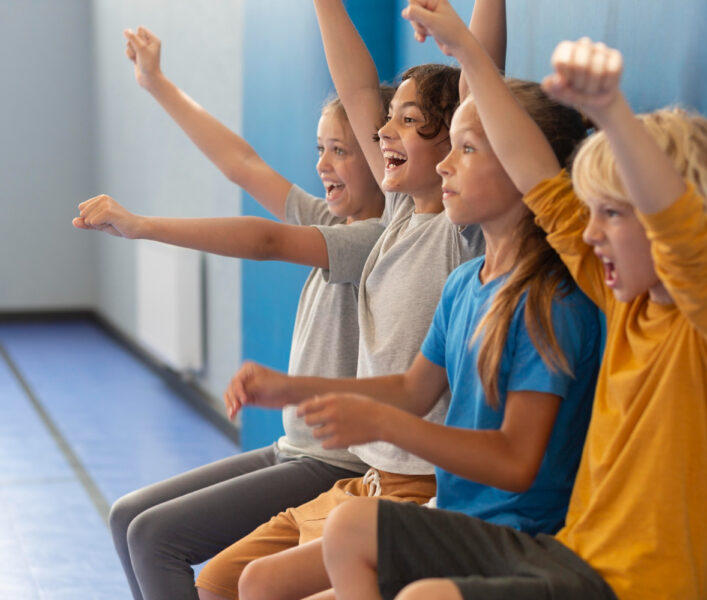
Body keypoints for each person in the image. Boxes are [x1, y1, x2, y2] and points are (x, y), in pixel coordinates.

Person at [319, 3, 707, 600]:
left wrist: (611, 113)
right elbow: (539, 182)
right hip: (566, 555)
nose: (589, 233)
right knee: (350, 529)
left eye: (611, 213)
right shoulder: (620, 302)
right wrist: (467, 53)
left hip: (635, 586)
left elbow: (678, 232)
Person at [233, 76, 598, 600]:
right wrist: (294, 388)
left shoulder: (549, 303)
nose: (447, 162)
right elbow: (412, 390)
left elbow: (517, 463)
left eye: (466, 149)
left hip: (516, 534)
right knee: (261, 582)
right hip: (454, 519)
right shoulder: (463, 285)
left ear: (522, 168)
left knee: (349, 530)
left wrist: (385, 424)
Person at [190, 1, 505, 598]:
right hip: (369, 481)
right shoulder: (400, 216)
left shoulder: (458, 230)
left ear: (456, 140)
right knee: (223, 582)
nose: (382, 132)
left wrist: (468, 35)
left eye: (408, 121)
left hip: (417, 485)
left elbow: (481, 87)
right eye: (386, 120)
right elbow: (356, 86)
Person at [73, 27, 392, 600]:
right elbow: (240, 163)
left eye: (341, 150)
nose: (324, 164)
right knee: (128, 517)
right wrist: (157, 83)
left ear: (380, 156)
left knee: (154, 537)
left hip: (333, 462)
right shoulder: (333, 219)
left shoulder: (375, 238)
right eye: (320, 148)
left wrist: (144, 226)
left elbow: (267, 242)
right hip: (292, 448)